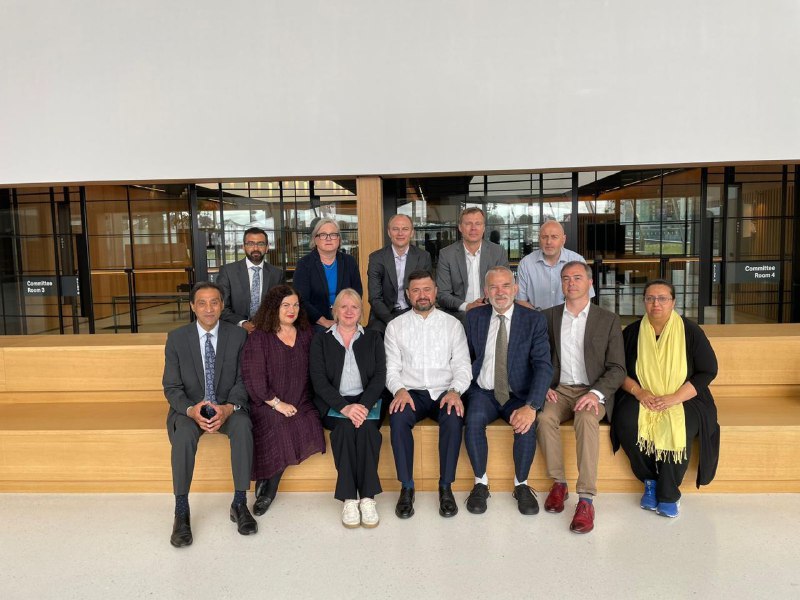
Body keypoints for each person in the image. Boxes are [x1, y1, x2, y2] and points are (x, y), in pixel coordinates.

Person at [612, 279, 720, 518]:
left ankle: (669, 492)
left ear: (673, 302)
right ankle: (650, 480)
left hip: (685, 395)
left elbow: (708, 371)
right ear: (643, 302)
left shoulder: (690, 331)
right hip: (642, 393)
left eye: (662, 298)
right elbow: (618, 371)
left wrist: (674, 398)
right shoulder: (632, 332)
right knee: (627, 421)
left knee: (680, 424)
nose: (656, 304)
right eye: (650, 298)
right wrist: (640, 392)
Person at [163, 281, 257, 547]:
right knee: (183, 435)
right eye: (202, 303)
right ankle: (181, 510)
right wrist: (191, 410)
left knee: (243, 426)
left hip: (227, 406)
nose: (208, 308)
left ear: (222, 305)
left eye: (214, 302)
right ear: (192, 306)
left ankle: (239, 502)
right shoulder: (177, 338)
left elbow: (244, 380)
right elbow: (172, 386)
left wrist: (228, 408)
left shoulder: (238, 336)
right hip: (190, 408)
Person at [538, 261, 625, 533]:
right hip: (559, 390)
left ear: (590, 283)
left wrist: (596, 394)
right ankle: (559, 483)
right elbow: (538, 359)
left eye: (577, 278)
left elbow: (618, 368)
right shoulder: (548, 317)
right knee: (543, 418)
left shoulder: (608, 319)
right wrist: (543, 386)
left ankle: (586, 499)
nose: (571, 283)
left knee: (586, 419)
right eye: (566, 278)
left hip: (592, 390)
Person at [463, 266, 552, 516]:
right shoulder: (474, 317)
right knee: (473, 420)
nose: (500, 292)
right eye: (493, 287)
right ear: (485, 291)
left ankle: (521, 485)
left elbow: (543, 365)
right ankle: (480, 483)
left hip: (519, 394)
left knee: (525, 425)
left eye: (505, 286)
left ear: (515, 289)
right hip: (483, 391)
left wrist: (532, 405)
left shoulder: (533, 320)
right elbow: (463, 358)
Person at [385, 270, 472, 519]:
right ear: (407, 294)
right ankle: (407, 487)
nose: (422, 295)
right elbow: (391, 368)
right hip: (411, 393)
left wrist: (455, 391)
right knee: (398, 419)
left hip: (445, 391)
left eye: (427, 289)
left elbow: (463, 366)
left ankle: (445, 487)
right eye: (416, 290)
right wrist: (399, 390)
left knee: (454, 419)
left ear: (435, 292)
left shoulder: (452, 325)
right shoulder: (395, 326)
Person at [241, 284, 326, 516]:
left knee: (306, 421)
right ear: (273, 308)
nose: (292, 310)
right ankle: (270, 490)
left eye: (296, 305)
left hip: (301, 399)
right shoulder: (259, 337)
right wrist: (277, 404)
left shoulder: (307, 333)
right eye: (285, 305)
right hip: (266, 402)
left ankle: (267, 477)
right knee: (279, 423)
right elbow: (254, 378)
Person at [309, 289, 386, 528]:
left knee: (367, 431)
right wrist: (344, 407)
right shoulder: (321, 340)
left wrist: (362, 406)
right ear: (335, 311)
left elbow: (380, 377)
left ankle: (368, 498)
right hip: (334, 403)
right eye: (344, 306)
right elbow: (318, 380)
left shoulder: (373, 338)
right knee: (343, 431)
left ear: (361, 311)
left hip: (367, 401)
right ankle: (349, 499)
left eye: (354, 307)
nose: (349, 311)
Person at [436, 207, 509, 322]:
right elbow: (442, 294)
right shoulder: (447, 254)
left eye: (478, 224)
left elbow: (505, 288)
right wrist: (467, 306)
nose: (473, 228)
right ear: (460, 227)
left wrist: (486, 304)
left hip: (492, 312)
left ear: (483, 228)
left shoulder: (498, 252)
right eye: (468, 224)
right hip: (459, 315)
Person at [367, 214, 432, 334]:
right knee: (374, 333)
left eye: (405, 229)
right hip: (384, 314)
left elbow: (426, 292)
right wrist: (392, 321)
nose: (400, 233)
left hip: (413, 311)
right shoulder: (376, 258)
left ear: (412, 233)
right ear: (389, 232)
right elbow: (375, 298)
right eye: (395, 229)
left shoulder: (423, 257)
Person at [293, 218, 363, 331]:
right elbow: (301, 300)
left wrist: (345, 318)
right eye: (323, 235)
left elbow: (357, 294)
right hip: (315, 323)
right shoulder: (304, 264)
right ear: (315, 239)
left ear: (339, 239)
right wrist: (323, 321)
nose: (328, 238)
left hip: (345, 319)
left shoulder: (349, 261)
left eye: (333, 235)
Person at [218, 227, 285, 332]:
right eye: (250, 244)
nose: (255, 248)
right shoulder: (228, 271)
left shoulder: (277, 274)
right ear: (243, 247)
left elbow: (280, 306)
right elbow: (221, 306)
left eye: (261, 244)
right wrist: (242, 323)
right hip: (236, 330)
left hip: (267, 330)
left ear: (267, 247)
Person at [516, 219, 593, 310]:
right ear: (539, 239)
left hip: (570, 317)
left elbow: (586, 297)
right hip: (536, 317)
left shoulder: (578, 261)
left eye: (554, 237)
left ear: (563, 239)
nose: (549, 242)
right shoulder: (526, 264)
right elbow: (520, 300)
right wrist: (539, 317)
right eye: (544, 237)